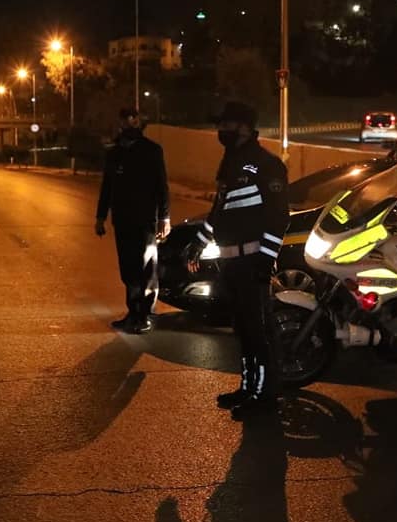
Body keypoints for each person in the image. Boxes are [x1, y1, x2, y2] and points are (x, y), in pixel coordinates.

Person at [188, 101, 289, 420]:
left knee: (258, 332)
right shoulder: (230, 163)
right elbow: (219, 212)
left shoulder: (266, 164)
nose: (222, 131)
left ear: (245, 127)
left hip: (252, 262)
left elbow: (278, 217)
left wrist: (266, 260)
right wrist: (198, 243)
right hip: (230, 264)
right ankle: (248, 387)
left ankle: (265, 396)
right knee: (243, 330)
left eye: (227, 125)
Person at [96, 107, 171, 334]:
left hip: (145, 219)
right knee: (128, 268)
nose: (128, 124)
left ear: (139, 122)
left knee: (146, 266)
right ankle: (133, 311)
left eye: (133, 120)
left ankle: (145, 314)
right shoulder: (115, 153)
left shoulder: (152, 150)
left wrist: (164, 218)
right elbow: (107, 187)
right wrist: (100, 216)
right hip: (122, 219)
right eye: (124, 121)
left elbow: (162, 186)